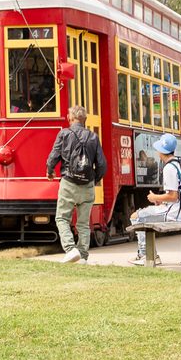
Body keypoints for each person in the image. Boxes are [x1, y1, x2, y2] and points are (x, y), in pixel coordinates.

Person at [45, 105, 107, 265]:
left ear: (69, 118)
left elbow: (53, 157)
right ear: (85, 119)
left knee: (62, 218)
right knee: (83, 224)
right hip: (87, 185)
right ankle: (83, 256)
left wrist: (50, 171)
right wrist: (93, 180)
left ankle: (70, 249)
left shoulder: (64, 134)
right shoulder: (93, 137)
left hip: (69, 182)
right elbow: (102, 165)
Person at [129, 132, 181, 266]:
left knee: (136, 217)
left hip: (175, 213)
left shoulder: (169, 168)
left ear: (161, 151)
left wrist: (154, 197)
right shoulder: (178, 164)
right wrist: (161, 201)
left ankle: (146, 254)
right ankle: (149, 254)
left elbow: (173, 196)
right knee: (143, 214)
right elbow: (177, 194)